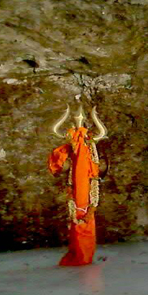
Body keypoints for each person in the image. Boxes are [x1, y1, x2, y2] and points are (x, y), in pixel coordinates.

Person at [48, 104, 107, 266]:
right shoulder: (75, 147)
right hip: (78, 193)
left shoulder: (88, 148)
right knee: (78, 223)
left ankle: (84, 256)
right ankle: (80, 256)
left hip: (86, 192)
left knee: (85, 222)